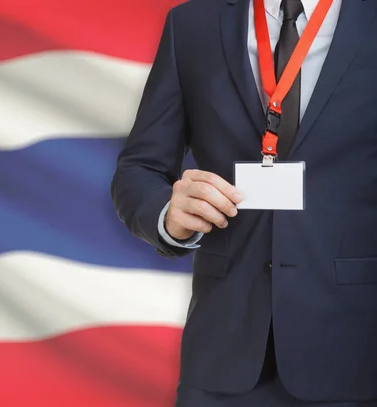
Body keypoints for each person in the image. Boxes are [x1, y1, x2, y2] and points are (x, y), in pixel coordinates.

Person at [111, 0, 377, 405]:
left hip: (357, 353)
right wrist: (167, 213)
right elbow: (139, 168)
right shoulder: (192, 24)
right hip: (223, 357)